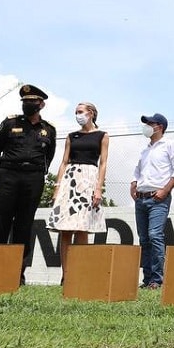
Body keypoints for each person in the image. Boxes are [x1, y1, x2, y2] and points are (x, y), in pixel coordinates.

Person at [0, 84, 57, 285]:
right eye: (25, 102)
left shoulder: (48, 130)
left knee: (25, 224)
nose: (28, 105)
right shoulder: (10, 123)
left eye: (32, 102)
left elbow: (48, 158)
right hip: (7, 176)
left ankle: (17, 273)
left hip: (33, 179)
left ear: (41, 104)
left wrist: (36, 172)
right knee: (1, 222)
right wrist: (1, 171)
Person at [49, 101, 110, 280]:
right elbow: (63, 162)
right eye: (76, 112)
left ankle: (78, 273)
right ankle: (65, 274)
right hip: (70, 179)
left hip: (89, 178)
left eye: (81, 111)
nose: (78, 115)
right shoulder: (71, 136)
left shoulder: (102, 135)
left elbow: (103, 162)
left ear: (91, 113)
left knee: (82, 228)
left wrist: (98, 188)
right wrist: (57, 187)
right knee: (66, 229)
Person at [129, 113, 174, 289]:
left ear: (159, 126)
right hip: (141, 198)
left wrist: (165, 190)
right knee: (144, 239)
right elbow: (137, 171)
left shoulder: (170, 145)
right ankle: (147, 280)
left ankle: (157, 280)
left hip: (158, 198)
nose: (146, 126)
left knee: (155, 236)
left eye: (149, 123)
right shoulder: (145, 150)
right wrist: (133, 184)